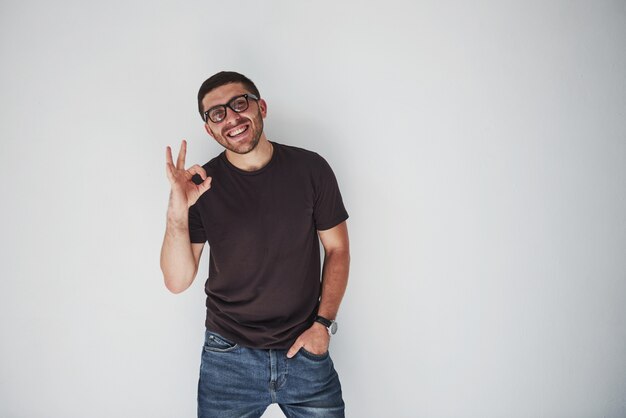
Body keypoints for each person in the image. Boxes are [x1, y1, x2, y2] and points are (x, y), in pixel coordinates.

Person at [160, 71, 350, 418]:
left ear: (260, 107)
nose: (231, 117)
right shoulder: (202, 187)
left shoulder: (311, 169)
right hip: (228, 358)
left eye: (239, 103)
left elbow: (337, 249)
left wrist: (322, 325)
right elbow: (177, 281)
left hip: (305, 350)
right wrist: (178, 209)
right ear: (209, 129)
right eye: (217, 113)